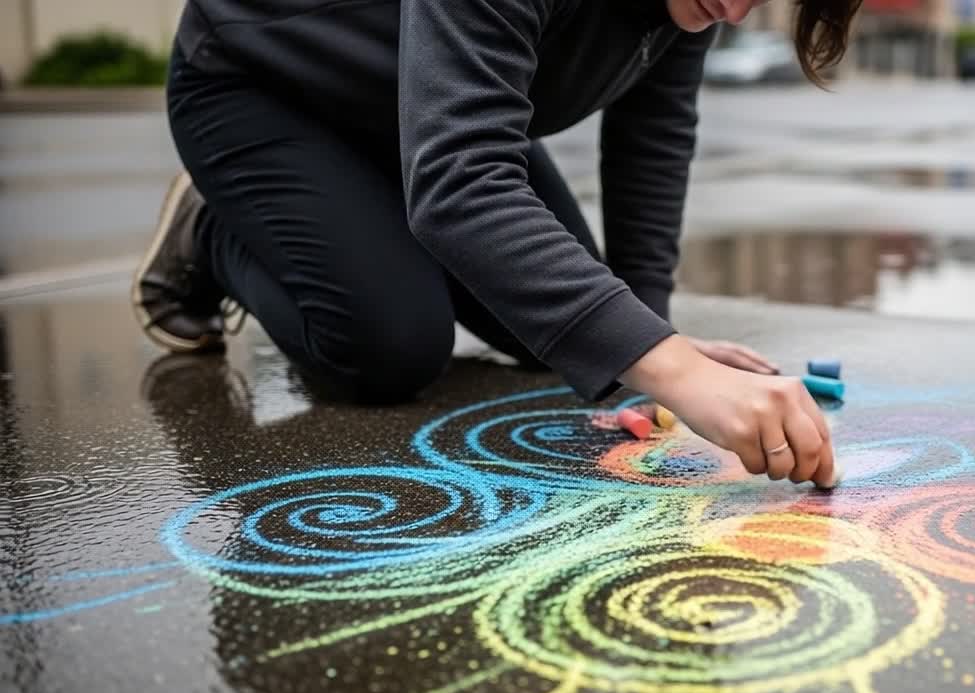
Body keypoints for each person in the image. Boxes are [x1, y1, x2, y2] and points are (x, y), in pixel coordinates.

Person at [132, 0, 862, 489]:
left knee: (575, 334)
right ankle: (210, 231)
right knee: (389, 347)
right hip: (262, 85)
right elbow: (462, 185)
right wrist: (680, 375)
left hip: (418, 116)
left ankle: (363, 218)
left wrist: (652, 337)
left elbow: (653, 141)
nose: (735, 9)